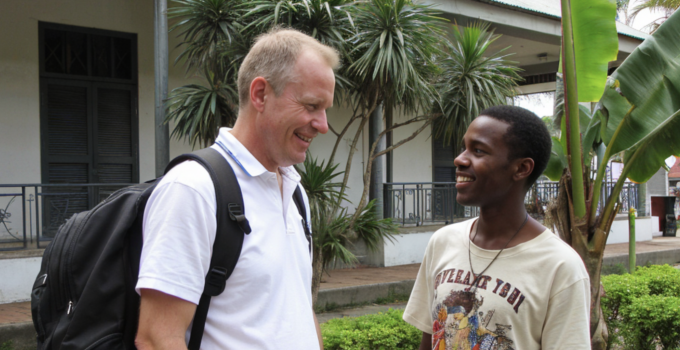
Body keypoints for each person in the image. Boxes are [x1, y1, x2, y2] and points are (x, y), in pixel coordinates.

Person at [134, 28, 339, 350]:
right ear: (260, 94)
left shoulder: (296, 193)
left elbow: (297, 307)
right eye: (312, 105)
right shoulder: (193, 189)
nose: (323, 125)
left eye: (325, 109)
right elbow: (157, 337)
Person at [403, 105, 591, 350]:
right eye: (464, 147)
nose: (459, 159)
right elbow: (431, 338)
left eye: (479, 151)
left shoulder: (561, 266)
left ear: (522, 168)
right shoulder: (443, 241)